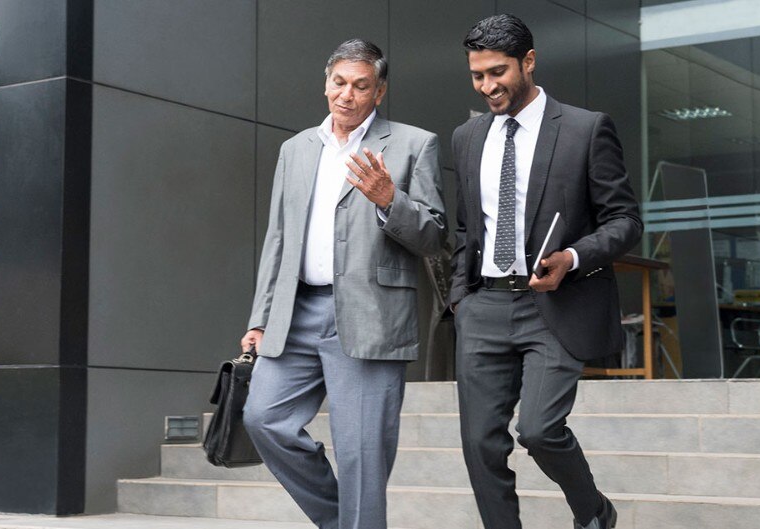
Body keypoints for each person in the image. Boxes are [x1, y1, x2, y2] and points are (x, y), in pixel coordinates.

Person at [239, 38, 447, 529]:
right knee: (264, 418)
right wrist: (259, 320)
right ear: (325, 83)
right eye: (339, 83)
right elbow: (279, 240)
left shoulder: (414, 144)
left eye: (360, 86)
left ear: (379, 92)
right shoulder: (295, 149)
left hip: (370, 314)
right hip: (296, 314)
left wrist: (388, 199)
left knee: (361, 453)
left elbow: (434, 235)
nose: (347, 95)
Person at [448, 14, 642, 529]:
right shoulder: (466, 138)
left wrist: (573, 258)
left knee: (538, 429)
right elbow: (467, 229)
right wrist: (460, 299)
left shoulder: (585, 128)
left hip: (555, 303)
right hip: (484, 305)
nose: (488, 86)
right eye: (477, 75)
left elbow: (626, 220)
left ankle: (594, 512)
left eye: (498, 72)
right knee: (479, 445)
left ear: (528, 61)